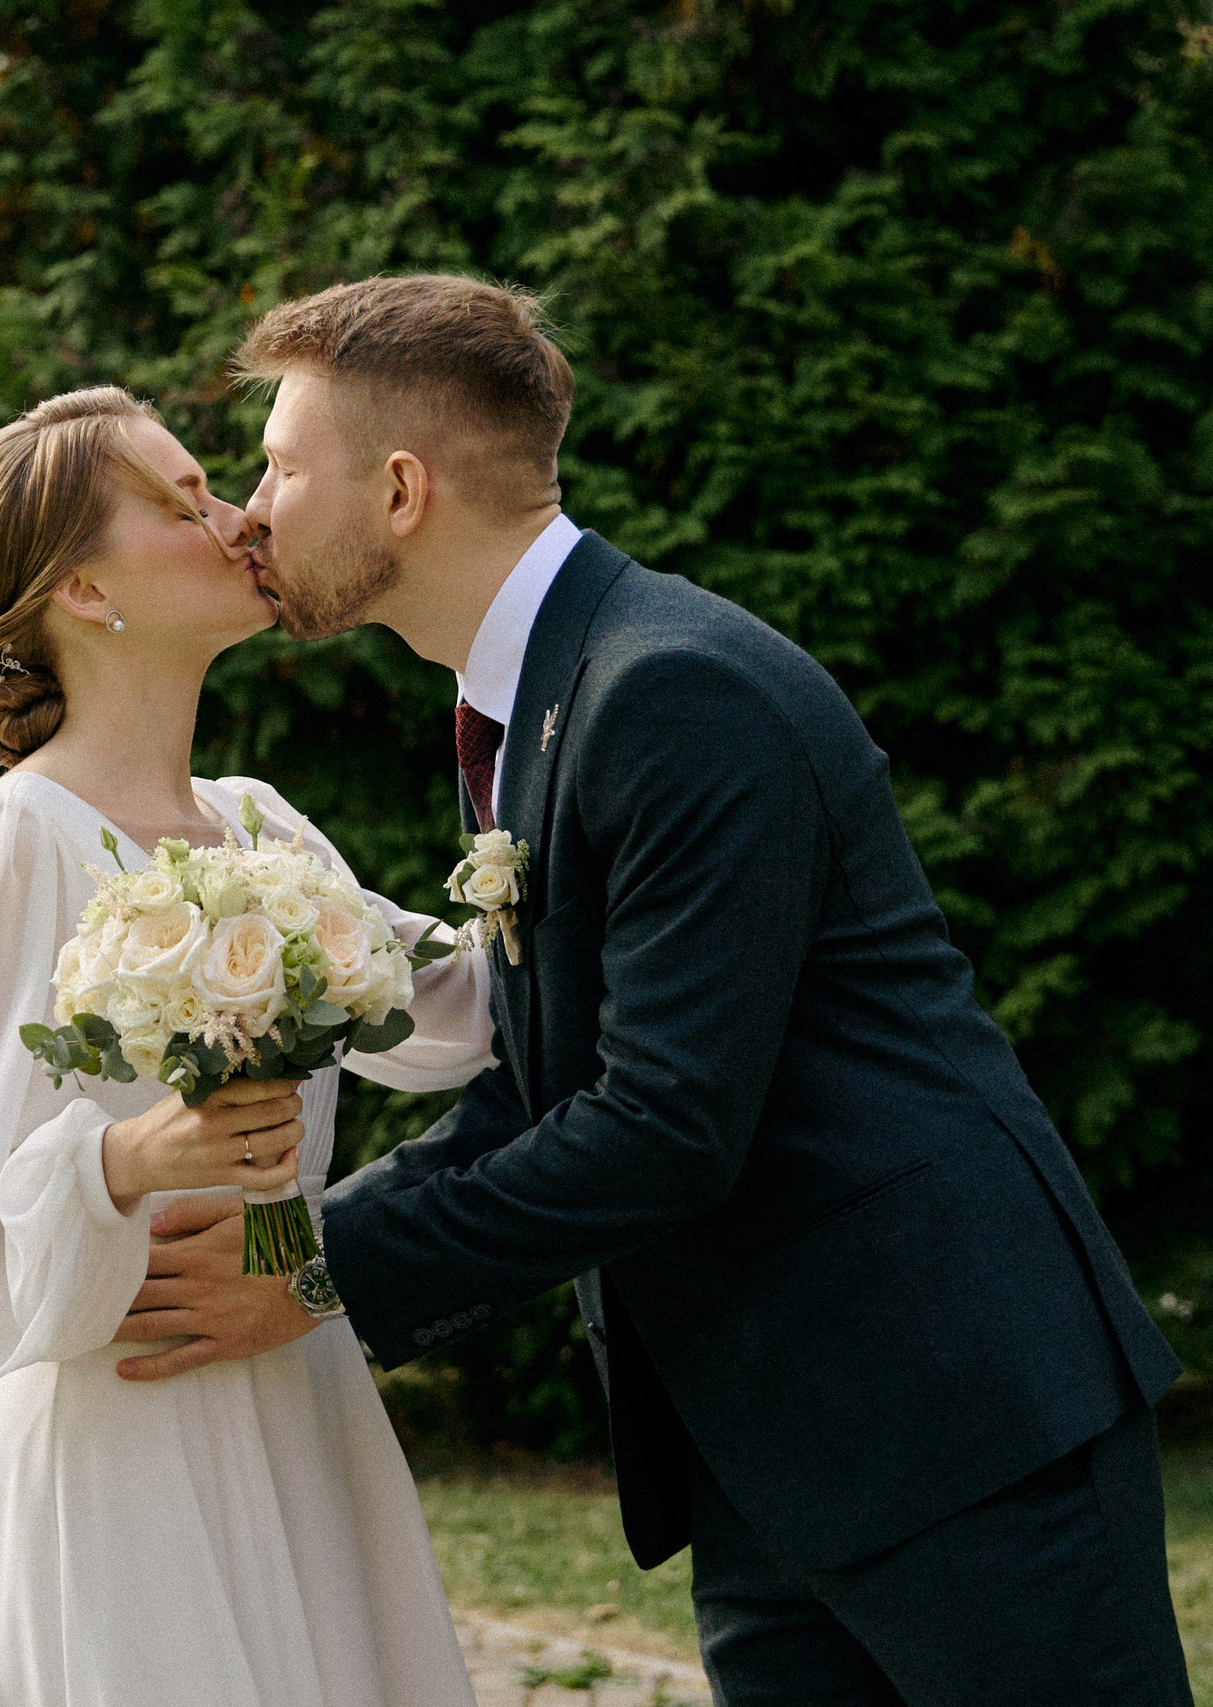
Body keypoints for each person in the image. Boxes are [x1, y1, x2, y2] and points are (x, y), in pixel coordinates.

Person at [133, 274, 1192, 1707]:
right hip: (768, 1446)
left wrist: (318, 1273)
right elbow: (534, 1088)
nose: (251, 510)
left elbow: (664, 1125)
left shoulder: (672, 691)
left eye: (279, 466)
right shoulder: (539, 701)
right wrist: (294, 1249)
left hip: (955, 1416)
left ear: (399, 490)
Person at [0, 386, 494, 1706]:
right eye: (183, 500)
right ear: (86, 592)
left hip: (295, 1406)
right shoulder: (15, 842)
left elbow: (456, 1015)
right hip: (117, 1453)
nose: (239, 517)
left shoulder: (261, 831)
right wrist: (123, 1162)